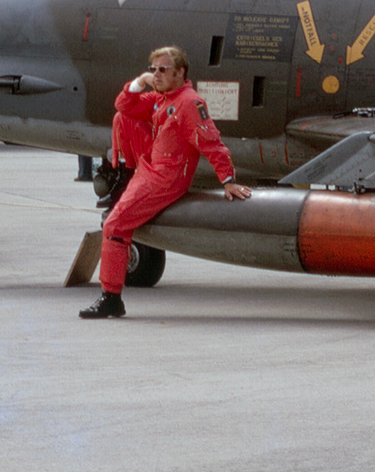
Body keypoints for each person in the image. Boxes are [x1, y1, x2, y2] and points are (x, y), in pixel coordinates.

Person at [81, 46, 249, 319]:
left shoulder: (188, 104)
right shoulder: (164, 98)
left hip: (165, 179)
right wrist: (140, 82)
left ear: (180, 72)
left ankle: (111, 298)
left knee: (114, 224)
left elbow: (211, 143)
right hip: (150, 167)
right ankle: (126, 176)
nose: (155, 75)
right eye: (153, 69)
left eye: (162, 70)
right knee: (123, 117)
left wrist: (228, 181)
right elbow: (124, 105)